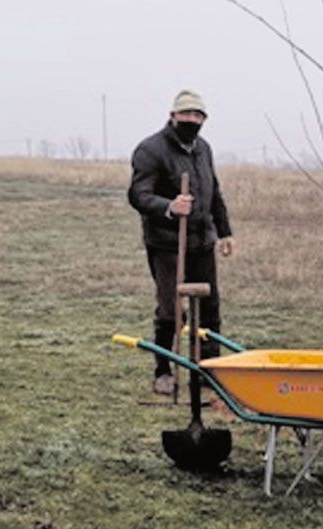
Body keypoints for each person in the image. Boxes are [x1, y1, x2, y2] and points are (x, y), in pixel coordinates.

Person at [128, 89, 234, 396]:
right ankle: (163, 370)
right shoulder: (150, 150)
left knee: (209, 307)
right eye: (187, 114)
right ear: (173, 115)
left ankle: (208, 371)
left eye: (198, 115)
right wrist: (170, 206)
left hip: (202, 241)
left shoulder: (204, 148)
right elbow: (138, 195)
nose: (193, 120)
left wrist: (225, 232)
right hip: (167, 243)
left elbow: (214, 192)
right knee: (172, 310)